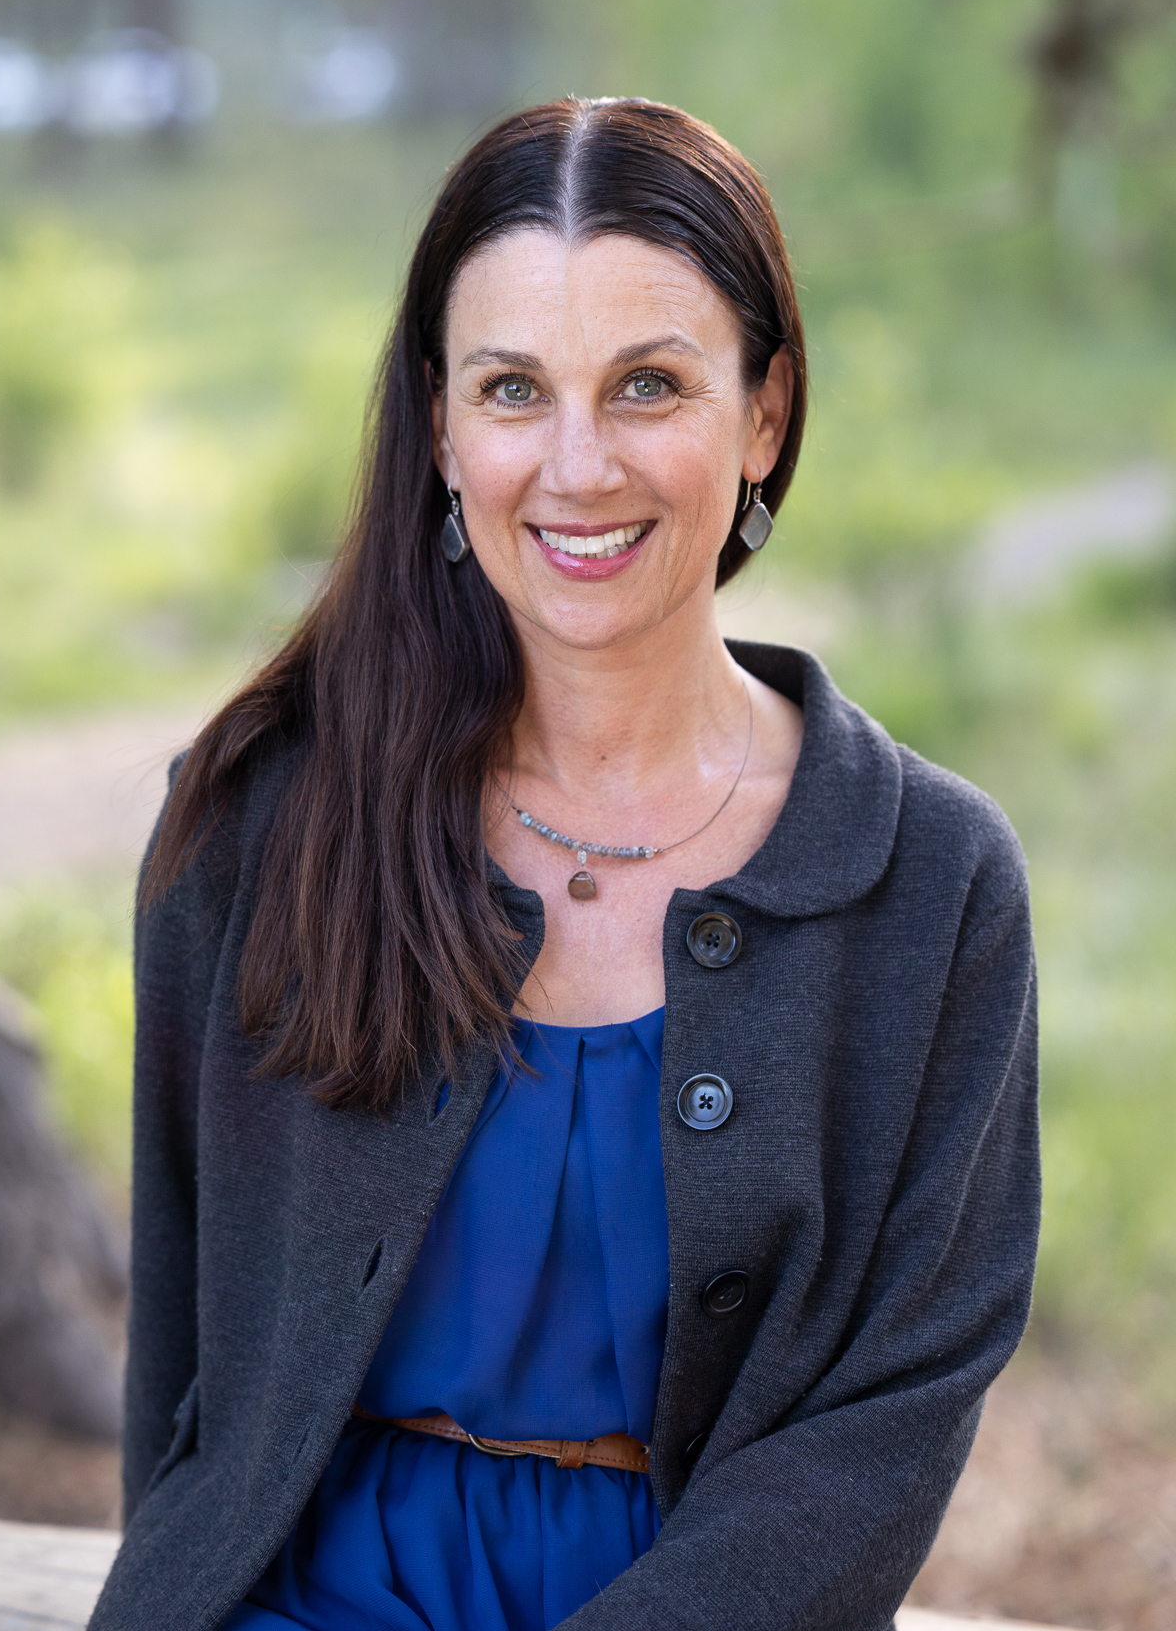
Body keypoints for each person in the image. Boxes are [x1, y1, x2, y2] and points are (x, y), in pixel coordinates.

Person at [88, 97, 1039, 1631]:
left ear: (768, 412)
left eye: (650, 385)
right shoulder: (261, 815)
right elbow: (189, 1354)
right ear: (443, 424)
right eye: (514, 388)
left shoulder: (929, 886)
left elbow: (894, 1414)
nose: (578, 466)